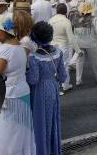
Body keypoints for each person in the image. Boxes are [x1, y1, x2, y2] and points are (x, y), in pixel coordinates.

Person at [0, 15, 36, 155]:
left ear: (7, 30)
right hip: (22, 93)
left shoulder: (4, 49)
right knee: (22, 133)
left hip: (9, 97)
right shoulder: (20, 47)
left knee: (7, 135)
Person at [27, 22, 67, 155]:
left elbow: (33, 79)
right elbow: (62, 77)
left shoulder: (34, 57)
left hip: (39, 91)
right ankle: (53, 150)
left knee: (40, 122)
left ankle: (42, 151)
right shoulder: (58, 52)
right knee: (52, 121)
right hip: (53, 88)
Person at [49, 3, 82, 91]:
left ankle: (54, 84)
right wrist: (78, 50)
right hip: (63, 46)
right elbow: (71, 38)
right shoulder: (66, 21)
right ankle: (65, 85)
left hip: (52, 45)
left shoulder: (51, 20)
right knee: (64, 66)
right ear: (66, 11)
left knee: (53, 66)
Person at [73, 2, 97, 86]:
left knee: (79, 62)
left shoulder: (76, 19)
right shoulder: (94, 19)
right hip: (91, 43)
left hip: (79, 43)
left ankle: (78, 80)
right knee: (95, 61)